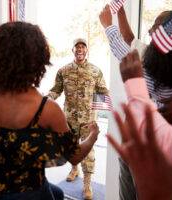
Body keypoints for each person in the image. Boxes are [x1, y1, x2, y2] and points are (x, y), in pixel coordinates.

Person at [0, 22, 100, 200]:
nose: (80, 49)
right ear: (37, 59)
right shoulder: (46, 109)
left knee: (58, 193)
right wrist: (94, 134)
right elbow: (75, 156)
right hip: (30, 191)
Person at [99, 5, 172, 200]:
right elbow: (129, 42)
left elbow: (125, 55)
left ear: (169, 31)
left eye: (156, 26)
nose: (150, 30)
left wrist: (108, 25)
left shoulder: (158, 62)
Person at [48, 38, 109, 199]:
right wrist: (45, 100)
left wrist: (115, 108)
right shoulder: (63, 70)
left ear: (86, 50)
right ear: (73, 50)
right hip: (68, 118)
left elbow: (104, 92)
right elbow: (56, 90)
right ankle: (74, 170)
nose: (80, 49)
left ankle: (87, 185)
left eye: (83, 47)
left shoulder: (95, 71)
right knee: (71, 147)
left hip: (88, 120)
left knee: (88, 151)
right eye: (77, 47)